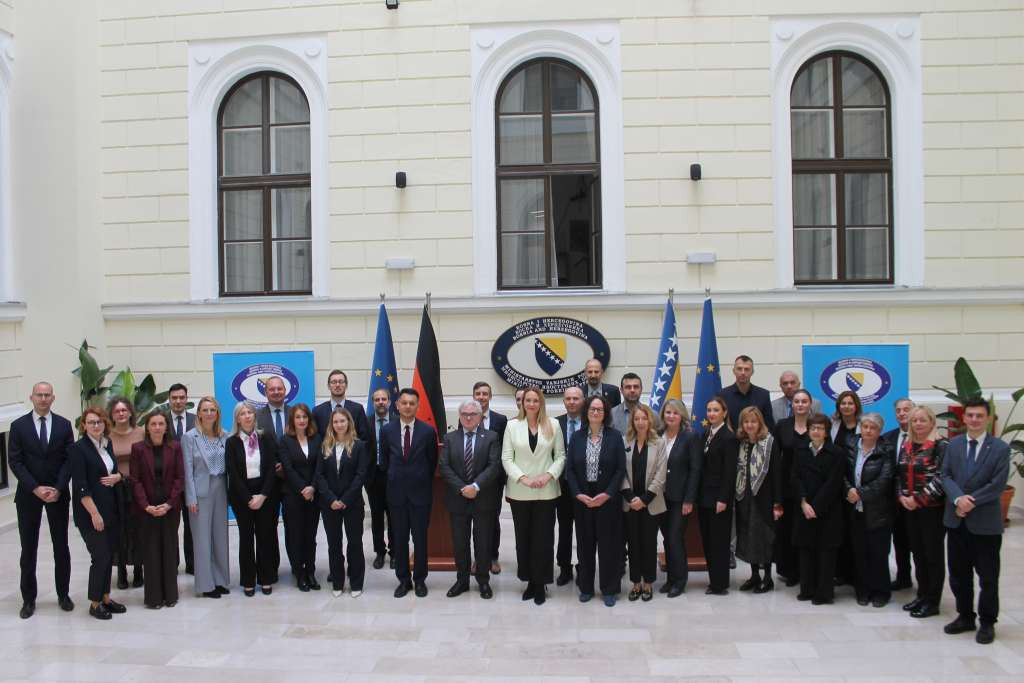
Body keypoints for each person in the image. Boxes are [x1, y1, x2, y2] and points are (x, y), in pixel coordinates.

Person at [941, 397, 1010, 644]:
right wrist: (958, 499)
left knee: (988, 577)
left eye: (979, 416)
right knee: (959, 574)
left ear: (987, 418)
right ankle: (965, 616)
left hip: (985, 524)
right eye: (970, 415)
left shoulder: (1000, 448)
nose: (974, 419)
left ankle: (988, 622)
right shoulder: (954, 445)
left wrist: (970, 501)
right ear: (964, 417)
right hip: (956, 521)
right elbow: (945, 475)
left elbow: (997, 484)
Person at [9, 381, 75, 619]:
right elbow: (15, 461)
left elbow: (69, 459)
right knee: (29, 548)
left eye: (47, 395)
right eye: (39, 395)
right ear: (32, 397)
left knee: (61, 547)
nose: (43, 399)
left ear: (53, 398)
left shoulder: (64, 425)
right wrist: (35, 488)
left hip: (58, 495)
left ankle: (63, 595)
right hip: (29, 495)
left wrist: (58, 488)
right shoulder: (18, 426)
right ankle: (29, 599)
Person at [502, 385, 566, 605]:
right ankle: (529, 581)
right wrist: (523, 478)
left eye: (535, 400)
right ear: (522, 403)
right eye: (527, 400)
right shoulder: (512, 426)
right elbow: (506, 458)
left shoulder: (553, 424)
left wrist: (548, 475)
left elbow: (560, 456)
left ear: (541, 403)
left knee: (544, 540)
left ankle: (541, 583)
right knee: (524, 540)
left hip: (546, 491)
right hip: (520, 491)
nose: (531, 404)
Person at [439, 399, 502, 599]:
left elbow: (494, 465)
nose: (468, 417)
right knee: (460, 543)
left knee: (483, 543)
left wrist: (475, 486)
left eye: (472, 414)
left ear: (480, 417)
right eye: (464, 414)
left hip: (483, 498)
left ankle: (483, 580)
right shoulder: (450, 438)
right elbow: (444, 466)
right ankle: (462, 580)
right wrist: (462, 488)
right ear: (459, 416)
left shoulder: (491, 437)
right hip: (458, 499)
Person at [565, 394, 625, 606]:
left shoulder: (615, 437)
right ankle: (586, 587)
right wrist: (577, 494)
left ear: (606, 413)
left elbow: (620, 470)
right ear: (586, 412)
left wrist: (607, 494)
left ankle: (609, 589)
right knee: (585, 546)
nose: (596, 412)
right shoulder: (577, 437)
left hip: (607, 499)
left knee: (609, 547)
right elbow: (570, 470)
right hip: (583, 499)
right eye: (592, 409)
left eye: (600, 409)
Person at [380, 388, 438, 598]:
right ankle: (403, 580)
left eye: (412, 403)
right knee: (400, 539)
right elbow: (384, 462)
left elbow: (432, 462)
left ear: (417, 406)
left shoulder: (428, 431)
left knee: (420, 540)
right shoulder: (387, 431)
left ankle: (420, 580)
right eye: (404, 403)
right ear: (397, 405)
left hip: (420, 496)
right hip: (396, 496)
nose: (407, 406)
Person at [70, 407, 127, 620]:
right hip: (91, 513)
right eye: (91, 422)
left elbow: (111, 471)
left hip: (110, 509)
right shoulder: (78, 449)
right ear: (84, 425)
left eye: (99, 422)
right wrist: (94, 514)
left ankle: (105, 598)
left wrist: (118, 477)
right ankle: (94, 604)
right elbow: (81, 486)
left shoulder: (107, 443)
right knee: (100, 557)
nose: (96, 425)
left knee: (108, 555)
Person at [896, 405, 948, 619]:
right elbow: (899, 474)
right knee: (918, 553)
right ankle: (922, 594)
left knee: (932, 555)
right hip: (909, 508)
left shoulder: (941, 445)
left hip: (931, 509)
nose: (918, 424)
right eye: (914, 420)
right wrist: (902, 496)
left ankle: (933, 601)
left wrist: (918, 500)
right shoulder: (907, 444)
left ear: (931, 422)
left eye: (922, 420)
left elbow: (942, 478)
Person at [130, 411, 184, 609]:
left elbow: (180, 478)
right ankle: (153, 598)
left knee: (169, 550)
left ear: (166, 426)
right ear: (147, 427)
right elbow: (135, 480)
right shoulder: (138, 449)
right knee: (151, 552)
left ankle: (171, 596)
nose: (157, 427)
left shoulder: (175, 447)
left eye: (161, 423)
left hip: (170, 507)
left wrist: (169, 503)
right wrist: (146, 506)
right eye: (153, 424)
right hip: (147, 509)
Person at [225, 401, 281, 596]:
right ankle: (248, 580)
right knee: (246, 538)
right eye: (243, 413)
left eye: (250, 412)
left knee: (265, 537)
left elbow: (271, 469)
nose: (247, 416)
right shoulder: (231, 442)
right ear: (237, 419)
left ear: (255, 416)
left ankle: (266, 578)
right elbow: (232, 473)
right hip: (242, 497)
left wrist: (263, 495)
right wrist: (249, 498)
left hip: (266, 495)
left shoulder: (266, 438)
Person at [792, 413, 846, 605]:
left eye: (820, 428)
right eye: (813, 428)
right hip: (804, 508)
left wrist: (816, 506)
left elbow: (833, 483)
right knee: (806, 550)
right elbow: (795, 477)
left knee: (826, 552)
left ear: (826, 432)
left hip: (827, 510)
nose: (816, 431)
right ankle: (807, 589)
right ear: (808, 430)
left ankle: (824, 593)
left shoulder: (837, 453)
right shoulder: (800, 450)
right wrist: (803, 502)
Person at [315, 407, 369, 598]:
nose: (339, 424)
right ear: (331, 424)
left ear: (349, 423)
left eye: (342, 421)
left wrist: (345, 499)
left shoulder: (359, 446)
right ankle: (338, 581)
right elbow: (319, 475)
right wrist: (331, 499)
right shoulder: (324, 446)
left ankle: (356, 582)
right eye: (336, 421)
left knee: (354, 543)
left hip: (352, 503)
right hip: (329, 504)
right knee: (334, 544)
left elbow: (360, 475)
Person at [182, 396, 231, 599]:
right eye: (205, 410)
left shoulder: (224, 435)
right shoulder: (190, 437)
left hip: (221, 489)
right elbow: (187, 470)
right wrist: (191, 498)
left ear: (217, 413)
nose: (209, 413)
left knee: (220, 537)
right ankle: (206, 584)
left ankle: (221, 580)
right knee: (202, 540)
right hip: (201, 491)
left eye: (213, 410)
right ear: (199, 413)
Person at [844, 412, 894, 608]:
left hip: (878, 511)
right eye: (865, 426)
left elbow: (885, 479)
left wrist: (860, 493)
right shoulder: (850, 445)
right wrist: (848, 489)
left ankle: (881, 592)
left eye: (873, 428)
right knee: (859, 552)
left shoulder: (886, 449)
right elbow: (842, 472)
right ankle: (862, 590)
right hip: (855, 509)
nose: (868, 431)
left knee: (878, 553)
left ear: (879, 431)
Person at [734, 406, 783, 594]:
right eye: (746, 422)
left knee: (763, 537)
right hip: (744, 496)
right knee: (748, 536)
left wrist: (777, 502)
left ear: (760, 423)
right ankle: (754, 575)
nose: (749, 425)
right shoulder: (742, 443)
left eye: (753, 421)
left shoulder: (769, 442)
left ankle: (768, 577)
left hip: (764, 498)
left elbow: (777, 473)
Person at [621, 403, 667, 602]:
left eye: (644, 418)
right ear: (632, 421)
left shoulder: (659, 443)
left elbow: (661, 474)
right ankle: (635, 583)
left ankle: (648, 582)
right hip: (630, 503)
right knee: (633, 544)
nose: (640, 422)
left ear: (650, 421)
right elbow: (620, 471)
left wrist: (645, 499)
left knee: (648, 543)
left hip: (651, 502)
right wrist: (631, 498)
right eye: (637, 419)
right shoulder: (625, 441)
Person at [279, 403, 323, 591]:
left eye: (304, 417)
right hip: (293, 495)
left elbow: (320, 466)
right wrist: (303, 489)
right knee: (295, 535)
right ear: (292, 420)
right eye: (298, 417)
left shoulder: (316, 438)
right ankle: (299, 573)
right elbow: (288, 468)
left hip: (313, 495)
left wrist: (312, 487)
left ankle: (311, 571)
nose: (302, 420)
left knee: (310, 536)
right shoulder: (285, 441)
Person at [697, 396, 738, 595]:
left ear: (724, 412)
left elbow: (730, 473)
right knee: (708, 540)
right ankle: (714, 580)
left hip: (719, 499)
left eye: (716, 410)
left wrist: (723, 499)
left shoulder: (729, 438)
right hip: (704, 498)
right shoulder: (706, 434)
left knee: (719, 543)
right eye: (709, 410)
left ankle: (720, 584)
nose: (711, 414)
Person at [773, 388, 813, 587]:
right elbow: (775, 458)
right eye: (797, 401)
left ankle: (808, 571)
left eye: (804, 401)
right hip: (787, 486)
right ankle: (790, 571)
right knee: (787, 529)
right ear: (792, 405)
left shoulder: (817, 425)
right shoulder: (782, 425)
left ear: (810, 404)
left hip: (810, 486)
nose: (800, 404)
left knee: (807, 529)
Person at [659, 398, 699, 597]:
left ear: (682, 415)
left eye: (675, 413)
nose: (671, 416)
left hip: (680, 498)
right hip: (660, 497)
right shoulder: (658, 435)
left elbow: (695, 470)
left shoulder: (690, 437)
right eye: (668, 412)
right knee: (667, 539)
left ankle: (680, 581)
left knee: (675, 538)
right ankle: (670, 578)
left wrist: (689, 499)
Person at [106, 396, 145, 590]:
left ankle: (138, 569)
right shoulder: (106, 436)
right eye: (117, 411)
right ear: (111, 415)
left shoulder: (141, 432)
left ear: (130, 412)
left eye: (124, 410)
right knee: (119, 530)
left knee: (137, 529)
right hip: (115, 489)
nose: (121, 414)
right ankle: (121, 570)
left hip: (137, 487)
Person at [473, 381, 507, 575]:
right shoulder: (467, 417)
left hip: (494, 479)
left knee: (492, 519)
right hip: (473, 478)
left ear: (490, 397)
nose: (481, 397)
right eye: (478, 393)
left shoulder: (500, 420)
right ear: (473, 396)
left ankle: (493, 557)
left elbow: (504, 449)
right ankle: (478, 558)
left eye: (485, 393)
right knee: (475, 519)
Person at [882, 397, 915, 591]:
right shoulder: (888, 437)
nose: (902, 413)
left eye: (906, 409)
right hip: (893, 500)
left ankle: (925, 583)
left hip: (917, 500)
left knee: (918, 544)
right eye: (898, 410)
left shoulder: (924, 437)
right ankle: (903, 577)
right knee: (899, 540)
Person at [555, 386, 584, 586]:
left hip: (584, 487)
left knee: (583, 530)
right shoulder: (555, 423)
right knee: (564, 529)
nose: (572, 402)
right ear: (564, 401)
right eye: (568, 399)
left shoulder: (591, 422)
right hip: (562, 486)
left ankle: (583, 567)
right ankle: (564, 567)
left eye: (576, 398)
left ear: (583, 400)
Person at [166, 383, 196, 575]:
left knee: (192, 525)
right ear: (169, 399)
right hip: (169, 483)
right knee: (171, 526)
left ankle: (192, 563)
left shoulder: (196, 420)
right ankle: (172, 564)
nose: (178, 401)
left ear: (186, 399)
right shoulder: (161, 421)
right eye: (174, 398)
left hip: (193, 481)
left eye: (181, 397)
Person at [366, 388, 395, 569]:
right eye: (377, 400)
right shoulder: (365, 423)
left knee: (394, 516)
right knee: (376, 517)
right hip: (373, 476)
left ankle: (394, 553)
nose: (381, 402)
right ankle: (380, 552)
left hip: (394, 476)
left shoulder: (397, 422)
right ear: (373, 403)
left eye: (384, 399)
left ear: (390, 402)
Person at [313, 369, 370, 441]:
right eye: (334, 382)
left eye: (341, 382)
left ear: (346, 385)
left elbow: (364, 437)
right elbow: (315, 439)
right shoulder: (318, 411)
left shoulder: (358, 409)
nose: (337, 385)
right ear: (328, 386)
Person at [720, 356, 774, 431]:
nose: (743, 372)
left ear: (752, 372)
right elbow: (720, 424)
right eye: (739, 369)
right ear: (734, 371)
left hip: (757, 438)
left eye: (747, 369)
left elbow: (769, 426)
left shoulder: (763, 395)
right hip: (731, 438)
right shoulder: (722, 395)